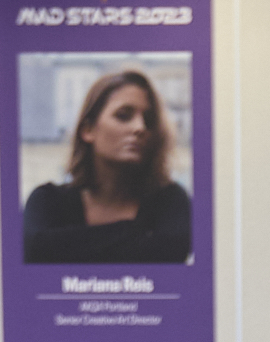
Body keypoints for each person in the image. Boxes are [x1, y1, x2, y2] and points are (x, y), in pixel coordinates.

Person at [20, 69, 192, 263]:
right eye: (123, 115)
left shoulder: (170, 201)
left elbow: (170, 250)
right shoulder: (47, 201)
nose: (140, 128)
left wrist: (67, 244)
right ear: (88, 130)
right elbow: (37, 249)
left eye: (149, 120)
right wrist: (137, 232)